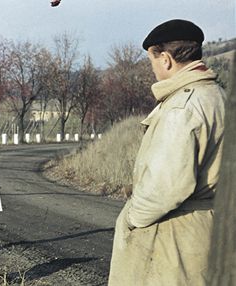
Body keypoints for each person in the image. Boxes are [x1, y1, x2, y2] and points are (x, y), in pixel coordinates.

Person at [108, 19, 226, 285]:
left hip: (175, 241)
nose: (153, 69)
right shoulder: (218, 97)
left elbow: (166, 187)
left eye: (152, 60)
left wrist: (131, 218)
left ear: (166, 59)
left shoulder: (182, 107)